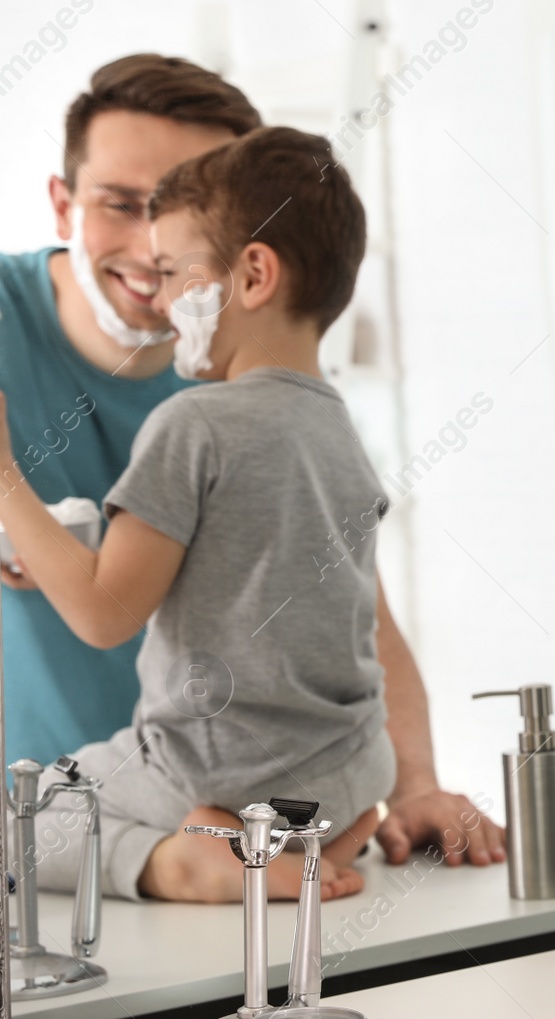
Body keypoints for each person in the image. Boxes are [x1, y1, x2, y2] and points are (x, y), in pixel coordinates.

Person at [0, 54, 502, 867]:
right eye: (122, 204)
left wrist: (420, 782)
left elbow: (359, 613)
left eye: (174, 242)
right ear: (62, 202)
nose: (150, 268)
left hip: (178, 797)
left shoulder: (198, 411)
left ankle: (183, 865)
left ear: (254, 268)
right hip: (309, 794)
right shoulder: (323, 415)